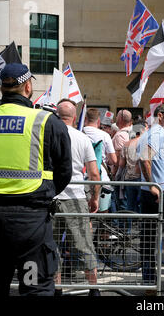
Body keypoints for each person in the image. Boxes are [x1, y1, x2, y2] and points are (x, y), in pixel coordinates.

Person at [0, 63, 73, 296]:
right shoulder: (47, 121)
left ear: (2, 89)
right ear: (28, 86)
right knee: (34, 288)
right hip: (30, 224)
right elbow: (64, 172)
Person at [53, 100, 101, 296]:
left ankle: (57, 289)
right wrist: (95, 197)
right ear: (74, 118)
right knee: (84, 245)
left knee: (52, 246)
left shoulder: (49, 134)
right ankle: (94, 288)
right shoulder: (82, 139)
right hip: (76, 196)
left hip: (52, 197)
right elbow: (94, 174)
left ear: (56, 116)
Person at [136, 102, 164, 295]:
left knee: (150, 238)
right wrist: (153, 184)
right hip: (160, 191)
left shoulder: (152, 133)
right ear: (160, 115)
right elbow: (144, 158)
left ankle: (150, 283)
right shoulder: (157, 132)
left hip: (154, 189)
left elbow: (146, 159)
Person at [83, 108, 117, 212]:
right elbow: (114, 160)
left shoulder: (79, 133)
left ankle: (89, 228)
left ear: (85, 119)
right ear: (98, 121)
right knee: (103, 213)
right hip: (102, 177)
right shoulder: (105, 135)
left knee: (85, 214)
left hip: (82, 177)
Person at [118, 119, 147, 214]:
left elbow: (121, 164)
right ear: (142, 130)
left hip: (129, 178)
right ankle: (142, 227)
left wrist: (117, 176)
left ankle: (128, 228)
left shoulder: (127, 144)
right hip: (142, 178)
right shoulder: (146, 144)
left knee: (129, 205)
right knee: (142, 204)